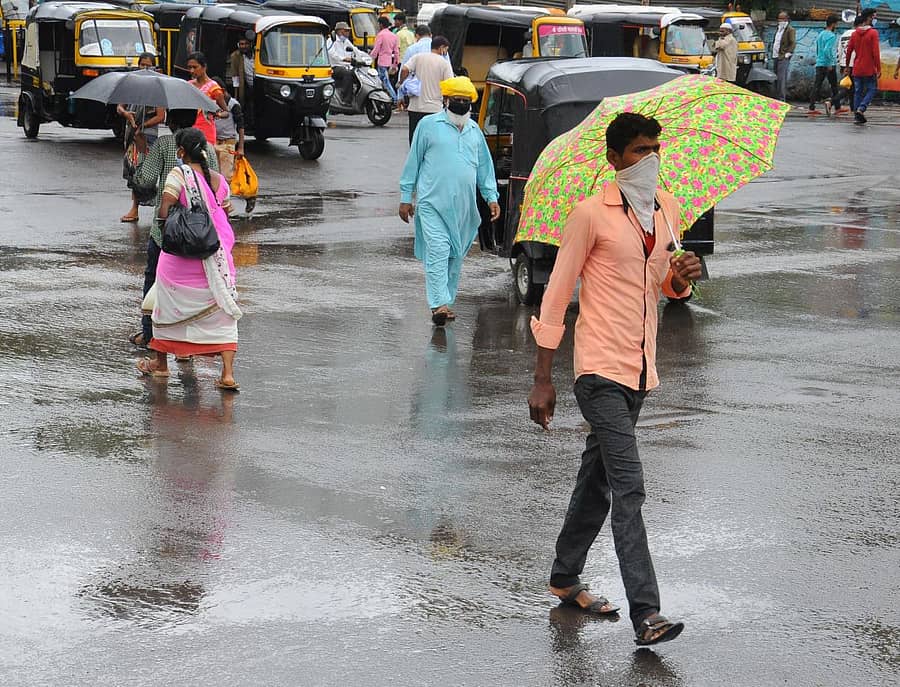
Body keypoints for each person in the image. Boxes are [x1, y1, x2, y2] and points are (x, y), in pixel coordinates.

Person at [527, 112, 702, 647]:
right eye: (638, 151)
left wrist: (679, 278)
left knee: (597, 479)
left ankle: (564, 577)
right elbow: (556, 293)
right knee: (629, 486)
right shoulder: (590, 216)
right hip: (598, 368)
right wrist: (542, 376)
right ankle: (646, 612)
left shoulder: (666, 212)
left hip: (640, 369)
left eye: (655, 149)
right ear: (614, 159)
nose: (650, 159)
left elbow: (663, 287)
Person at [137, 128, 241, 391]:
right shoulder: (218, 179)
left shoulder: (178, 174)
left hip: (182, 256)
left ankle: (161, 365)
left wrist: (168, 221)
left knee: (165, 302)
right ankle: (227, 374)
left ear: (181, 152)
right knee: (221, 309)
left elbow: (166, 205)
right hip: (215, 254)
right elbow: (226, 209)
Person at [398, 76, 500, 326]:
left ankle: (447, 301)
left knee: (455, 256)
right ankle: (438, 304)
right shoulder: (428, 125)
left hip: (464, 209)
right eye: (457, 100)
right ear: (446, 100)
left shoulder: (475, 131)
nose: (461, 104)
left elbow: (485, 169)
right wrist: (405, 197)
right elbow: (414, 162)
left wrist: (491, 198)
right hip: (432, 204)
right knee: (439, 250)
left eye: (466, 101)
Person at [129, 111, 219, 350]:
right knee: (191, 289)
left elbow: (145, 181)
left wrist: (140, 151)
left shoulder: (165, 144)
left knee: (156, 283)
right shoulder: (207, 147)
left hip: (167, 233)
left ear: (170, 120)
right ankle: (187, 338)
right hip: (202, 233)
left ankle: (150, 335)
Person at [117, 53, 166, 223]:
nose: (144, 68)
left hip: (147, 136)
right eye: (142, 65)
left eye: (148, 65)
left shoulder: (156, 88)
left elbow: (161, 116)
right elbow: (120, 107)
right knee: (132, 170)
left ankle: (156, 206)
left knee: (145, 172)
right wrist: (127, 115)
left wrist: (143, 126)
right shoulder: (131, 85)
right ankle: (135, 208)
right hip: (131, 134)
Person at [398, 35, 453, 143]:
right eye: (446, 50)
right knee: (432, 142)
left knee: (415, 141)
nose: (445, 53)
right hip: (434, 110)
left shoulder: (418, 57)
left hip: (415, 108)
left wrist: (401, 82)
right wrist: (446, 100)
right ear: (441, 48)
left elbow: (404, 69)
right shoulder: (444, 63)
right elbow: (449, 85)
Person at [211, 77, 244, 215]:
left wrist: (241, 147)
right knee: (214, 175)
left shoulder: (233, 105)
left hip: (228, 143)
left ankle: (225, 206)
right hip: (214, 142)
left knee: (225, 177)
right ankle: (221, 205)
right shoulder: (211, 103)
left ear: (223, 92)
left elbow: (241, 127)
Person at [845, 8, 881, 124]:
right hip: (869, 67)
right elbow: (875, 52)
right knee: (872, 89)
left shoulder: (855, 34)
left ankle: (857, 114)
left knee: (858, 91)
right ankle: (861, 108)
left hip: (857, 67)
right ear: (869, 18)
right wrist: (878, 68)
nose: (874, 19)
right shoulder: (873, 33)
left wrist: (847, 66)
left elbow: (849, 51)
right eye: (873, 17)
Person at [187, 51, 228, 145]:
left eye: (195, 67)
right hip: (188, 131)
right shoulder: (188, 85)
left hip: (206, 133)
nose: (191, 71)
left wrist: (218, 114)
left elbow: (226, 112)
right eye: (189, 67)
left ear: (204, 67)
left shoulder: (214, 88)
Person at [329, 21, 371, 102]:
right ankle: (346, 100)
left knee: (360, 74)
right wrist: (343, 58)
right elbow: (331, 53)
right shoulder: (331, 41)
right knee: (347, 74)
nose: (348, 32)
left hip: (347, 66)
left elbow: (355, 50)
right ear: (340, 31)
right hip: (335, 67)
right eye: (346, 30)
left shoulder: (346, 41)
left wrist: (366, 56)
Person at [809, 15, 839, 115]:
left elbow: (818, 49)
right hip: (828, 64)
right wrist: (830, 62)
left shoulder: (821, 34)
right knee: (834, 86)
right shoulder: (831, 35)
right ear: (833, 24)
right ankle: (836, 107)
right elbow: (827, 50)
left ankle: (811, 108)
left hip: (820, 63)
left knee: (816, 86)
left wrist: (819, 59)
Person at [370, 15, 400, 106]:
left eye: (378, 24)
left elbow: (376, 49)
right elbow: (396, 51)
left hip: (382, 61)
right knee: (387, 81)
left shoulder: (381, 35)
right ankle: (389, 99)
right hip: (390, 61)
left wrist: (370, 58)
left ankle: (394, 99)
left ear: (381, 24)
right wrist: (395, 64)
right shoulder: (394, 36)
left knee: (384, 82)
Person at [227, 36, 254, 128]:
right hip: (246, 84)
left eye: (246, 44)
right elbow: (235, 74)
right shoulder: (236, 56)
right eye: (241, 44)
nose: (244, 46)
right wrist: (236, 92)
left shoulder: (257, 54)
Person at [772, 11, 796, 101]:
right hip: (775, 56)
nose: (780, 20)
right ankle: (776, 97)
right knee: (775, 78)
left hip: (783, 57)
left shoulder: (790, 30)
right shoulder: (778, 29)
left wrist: (788, 53)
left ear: (786, 19)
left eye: (782, 19)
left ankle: (781, 99)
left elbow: (792, 42)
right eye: (779, 19)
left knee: (781, 78)